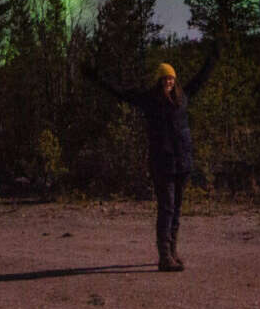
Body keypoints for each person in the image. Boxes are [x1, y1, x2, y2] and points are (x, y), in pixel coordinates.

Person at [83, 43, 219, 272]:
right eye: (165, 79)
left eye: (171, 79)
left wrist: (212, 59)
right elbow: (120, 92)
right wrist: (98, 78)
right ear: (159, 80)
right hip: (162, 163)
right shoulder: (149, 100)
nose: (169, 82)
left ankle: (172, 251)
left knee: (176, 209)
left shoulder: (182, 98)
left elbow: (200, 79)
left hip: (182, 162)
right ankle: (164, 257)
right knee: (166, 207)